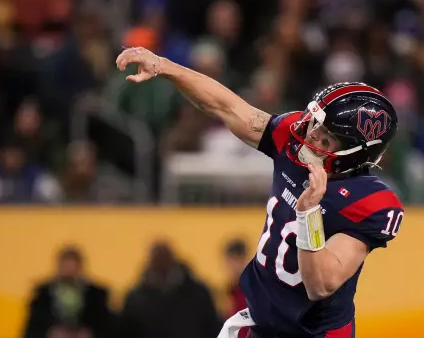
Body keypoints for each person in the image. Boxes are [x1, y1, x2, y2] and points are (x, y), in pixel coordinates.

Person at [116, 47, 404, 338]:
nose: (311, 135)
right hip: (263, 323)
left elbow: (321, 284)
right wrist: (165, 66)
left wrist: (308, 214)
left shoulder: (369, 202)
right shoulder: (294, 140)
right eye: (315, 123)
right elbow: (226, 107)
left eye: (326, 137)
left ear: (353, 154)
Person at [23, 245, 113, 338]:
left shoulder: (96, 295)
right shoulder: (42, 295)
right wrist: (50, 333)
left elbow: (106, 325)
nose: (70, 272)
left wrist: (88, 333)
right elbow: (33, 327)